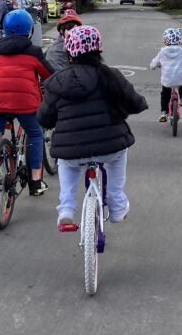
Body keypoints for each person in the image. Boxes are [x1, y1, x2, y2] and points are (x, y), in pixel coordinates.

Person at [37, 24, 148, 230]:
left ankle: (67, 209)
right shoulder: (111, 76)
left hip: (71, 151)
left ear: (69, 52)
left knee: (65, 164)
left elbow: (44, 118)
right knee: (118, 157)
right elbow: (136, 103)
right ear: (98, 50)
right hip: (110, 147)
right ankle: (116, 205)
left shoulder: (57, 81)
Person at [0, 9, 54, 195]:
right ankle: (36, 181)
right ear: (29, 30)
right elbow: (49, 75)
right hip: (25, 102)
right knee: (36, 134)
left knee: (2, 105)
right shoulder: (34, 52)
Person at [149, 27, 182, 122]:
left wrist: (153, 66)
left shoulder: (162, 52)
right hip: (178, 79)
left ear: (165, 40)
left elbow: (154, 63)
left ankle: (163, 112)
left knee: (164, 94)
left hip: (167, 80)